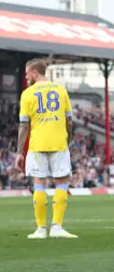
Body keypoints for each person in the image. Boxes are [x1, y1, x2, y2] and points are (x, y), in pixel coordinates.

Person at [14, 58, 77, 239]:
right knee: (61, 183)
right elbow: (69, 121)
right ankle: (57, 227)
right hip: (58, 143)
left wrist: (20, 152)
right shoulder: (61, 90)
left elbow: (23, 126)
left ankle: (41, 229)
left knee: (39, 183)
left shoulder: (27, 94)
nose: (26, 78)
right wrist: (68, 139)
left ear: (35, 73)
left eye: (27, 74)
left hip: (37, 144)